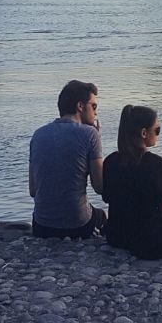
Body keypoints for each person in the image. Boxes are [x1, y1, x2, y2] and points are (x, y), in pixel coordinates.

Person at [29, 80, 106, 238]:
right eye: (94, 106)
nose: (96, 112)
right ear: (80, 106)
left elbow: (33, 190)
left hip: (41, 225)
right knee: (101, 216)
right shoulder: (90, 134)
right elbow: (100, 187)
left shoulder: (38, 135)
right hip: (77, 225)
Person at [102, 105, 162, 253]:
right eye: (157, 130)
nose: (158, 134)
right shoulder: (156, 164)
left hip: (116, 236)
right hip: (147, 237)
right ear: (144, 133)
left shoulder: (110, 161)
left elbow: (107, 197)